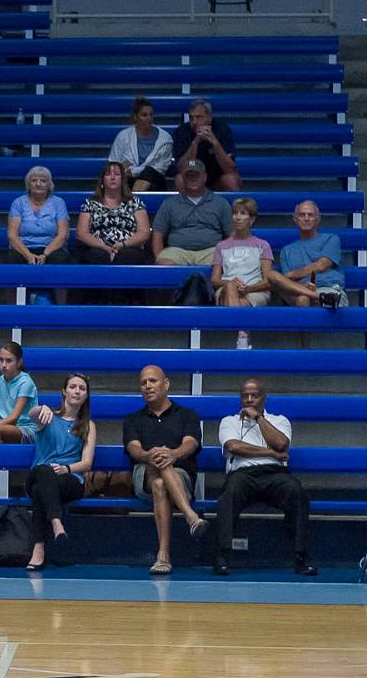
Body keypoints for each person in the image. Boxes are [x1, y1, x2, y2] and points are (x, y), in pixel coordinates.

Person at [214, 379, 316, 577]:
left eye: (254, 395)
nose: (249, 400)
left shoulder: (280, 420)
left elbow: (280, 445)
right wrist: (270, 453)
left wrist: (259, 419)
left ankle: (301, 556)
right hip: (242, 474)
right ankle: (222, 557)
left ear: (264, 398)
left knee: (297, 492)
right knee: (229, 495)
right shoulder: (229, 421)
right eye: (245, 396)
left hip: (275, 474)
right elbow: (234, 447)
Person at [123, 365, 205, 575]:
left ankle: (163, 556)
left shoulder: (188, 415)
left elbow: (191, 443)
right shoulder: (133, 419)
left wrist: (173, 454)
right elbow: (134, 449)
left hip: (181, 477)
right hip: (144, 476)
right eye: (143, 383)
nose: (147, 386)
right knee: (158, 465)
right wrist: (150, 455)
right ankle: (191, 516)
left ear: (166, 384)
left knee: (162, 480)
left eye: (153, 381)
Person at [23, 372, 97, 570]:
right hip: (39, 473)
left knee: (41, 490)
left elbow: (87, 463)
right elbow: (31, 414)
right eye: (73, 387)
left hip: (69, 479)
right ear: (64, 391)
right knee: (44, 472)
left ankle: (38, 548)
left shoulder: (88, 425)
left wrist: (66, 468)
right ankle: (57, 523)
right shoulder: (48, 417)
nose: (77, 391)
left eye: (82, 388)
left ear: (86, 395)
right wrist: (42, 408)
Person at [212, 197, 300, 349]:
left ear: (251, 219)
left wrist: (248, 289)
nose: (237, 217)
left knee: (239, 304)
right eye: (235, 213)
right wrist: (230, 283)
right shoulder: (221, 246)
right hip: (226, 290)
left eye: (243, 213)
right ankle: (242, 335)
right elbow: (214, 279)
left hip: (255, 290)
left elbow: (268, 279)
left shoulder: (262, 245)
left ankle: (242, 337)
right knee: (231, 284)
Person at [151, 159, 232, 266]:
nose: (192, 178)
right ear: (182, 178)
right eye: (189, 175)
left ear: (205, 177)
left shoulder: (220, 203)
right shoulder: (169, 203)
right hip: (178, 251)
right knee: (166, 263)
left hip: (211, 251)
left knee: (223, 264)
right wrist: (159, 258)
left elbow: (231, 234)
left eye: (196, 175)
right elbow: (158, 234)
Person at [73, 161, 154, 268]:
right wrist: (104, 247)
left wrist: (122, 245)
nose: (112, 177)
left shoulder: (135, 202)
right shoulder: (90, 203)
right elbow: (82, 234)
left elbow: (144, 233)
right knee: (97, 256)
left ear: (123, 180)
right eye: (108, 174)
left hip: (129, 247)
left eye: (116, 174)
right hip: (97, 247)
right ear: (102, 180)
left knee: (127, 256)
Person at [275, 199, 345, 309]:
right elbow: (287, 283)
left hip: (328, 288)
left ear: (318, 219)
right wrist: (304, 287)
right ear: (295, 219)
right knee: (301, 297)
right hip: (300, 291)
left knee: (303, 298)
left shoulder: (331, 239)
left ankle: (321, 299)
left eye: (310, 215)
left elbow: (321, 265)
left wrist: (292, 274)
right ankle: (318, 298)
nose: (306, 218)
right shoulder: (286, 251)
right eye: (302, 215)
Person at [170, 98, 241, 191]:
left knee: (231, 180)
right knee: (180, 180)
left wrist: (215, 143)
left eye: (199, 117)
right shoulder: (182, 132)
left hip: (217, 179)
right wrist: (195, 142)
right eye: (191, 118)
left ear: (209, 118)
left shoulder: (222, 130)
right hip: (193, 177)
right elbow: (181, 168)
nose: (194, 122)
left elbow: (230, 169)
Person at [7, 166, 71, 266]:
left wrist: (45, 254)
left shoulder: (58, 202)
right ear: (28, 184)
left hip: (51, 248)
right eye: (33, 180)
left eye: (43, 181)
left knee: (60, 259)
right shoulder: (18, 203)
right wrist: (28, 255)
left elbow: (63, 234)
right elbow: (12, 235)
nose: (38, 184)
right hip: (24, 248)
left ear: (49, 185)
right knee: (12, 259)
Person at [108, 96, 173, 192]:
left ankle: (133, 202)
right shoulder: (123, 136)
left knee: (149, 171)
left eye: (151, 115)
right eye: (144, 115)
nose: (149, 118)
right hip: (128, 181)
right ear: (135, 117)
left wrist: (133, 171)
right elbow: (113, 164)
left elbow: (160, 169)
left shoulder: (165, 139)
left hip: (155, 183)